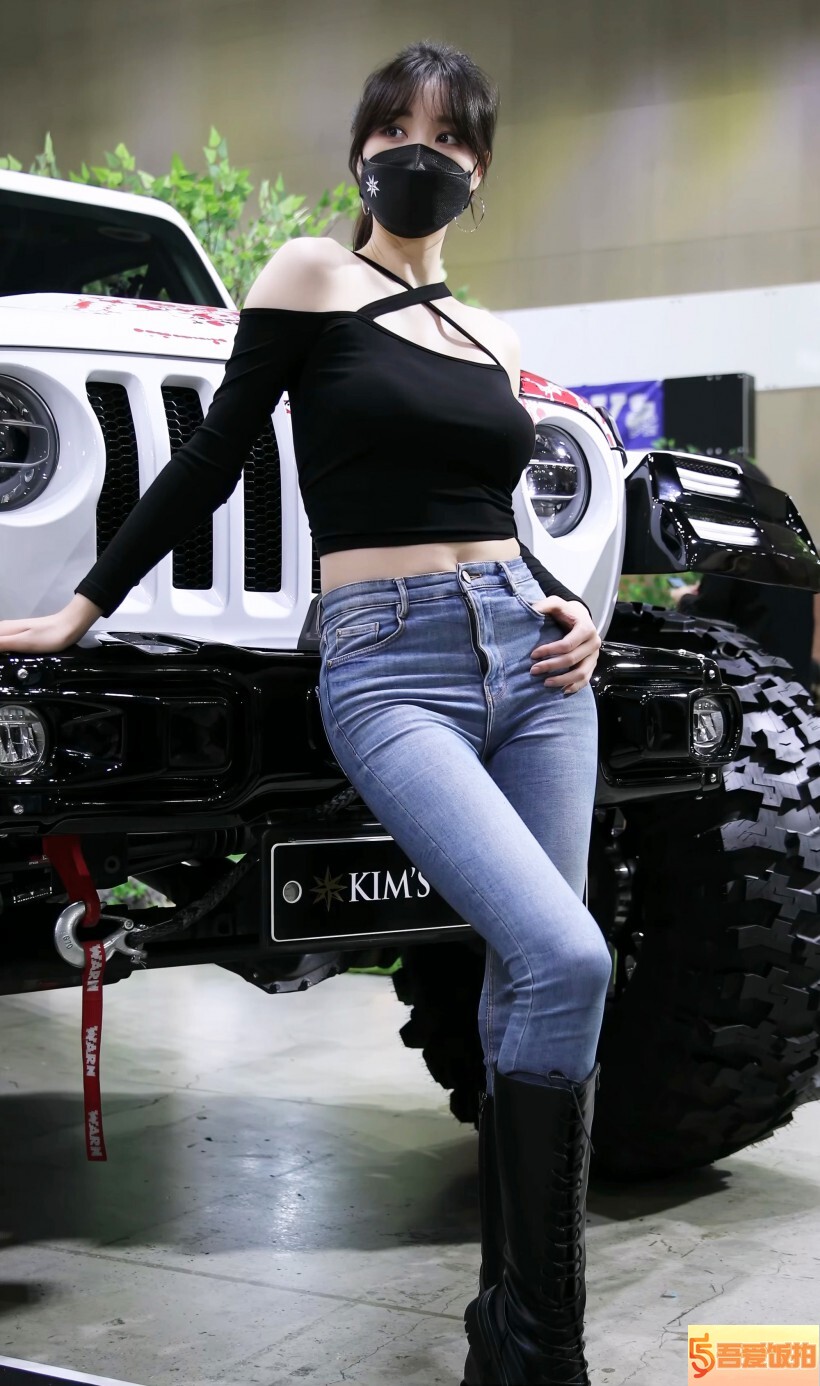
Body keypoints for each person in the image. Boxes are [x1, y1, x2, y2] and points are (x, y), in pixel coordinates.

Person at [0, 42, 608, 1386]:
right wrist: (76, 611)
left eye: (447, 138)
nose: (417, 153)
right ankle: (546, 1349)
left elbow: (501, 511)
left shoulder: (494, 337)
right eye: (394, 130)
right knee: (571, 960)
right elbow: (214, 456)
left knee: (530, 979)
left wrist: (574, 604)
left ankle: (509, 1335)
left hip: (537, 665)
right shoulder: (310, 276)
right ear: (359, 153)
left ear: (480, 171)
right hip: (389, 663)